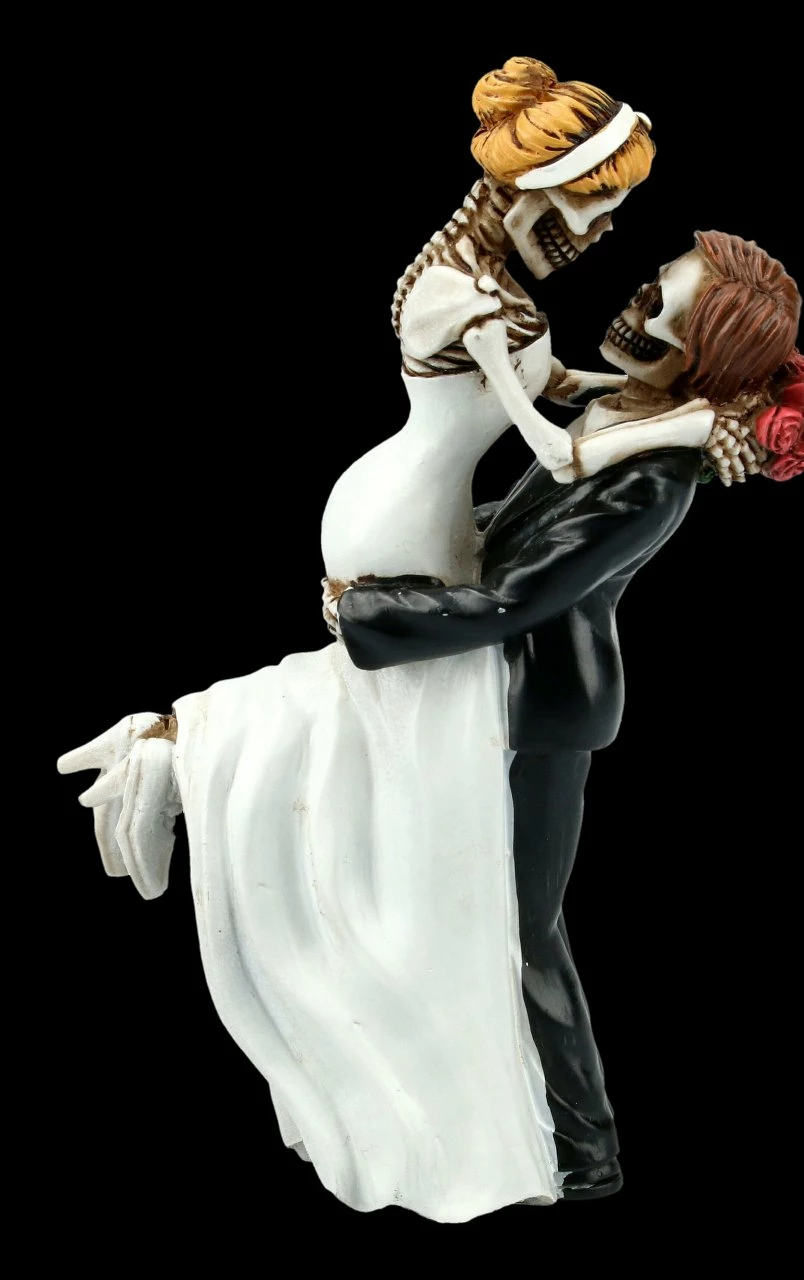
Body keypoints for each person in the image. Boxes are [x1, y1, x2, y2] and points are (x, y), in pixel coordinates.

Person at [58, 57, 670, 1223]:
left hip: (441, 525)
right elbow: (552, 446)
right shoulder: (462, 295)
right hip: (401, 528)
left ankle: (181, 748)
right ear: (533, 192)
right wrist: (688, 417)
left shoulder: (497, 278)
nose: (602, 236)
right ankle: (190, 758)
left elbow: (565, 388)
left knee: (406, 774)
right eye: (595, 209)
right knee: (403, 765)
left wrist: (662, 401)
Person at [328, 229, 804, 1197]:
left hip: (541, 704)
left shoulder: (650, 476)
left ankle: (583, 1150)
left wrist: (368, 611)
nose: (632, 309)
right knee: (454, 896)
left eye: (660, 315)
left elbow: (515, 599)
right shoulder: (624, 408)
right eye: (649, 286)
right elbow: (516, 532)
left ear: (700, 359)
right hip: (494, 684)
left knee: (522, 925)